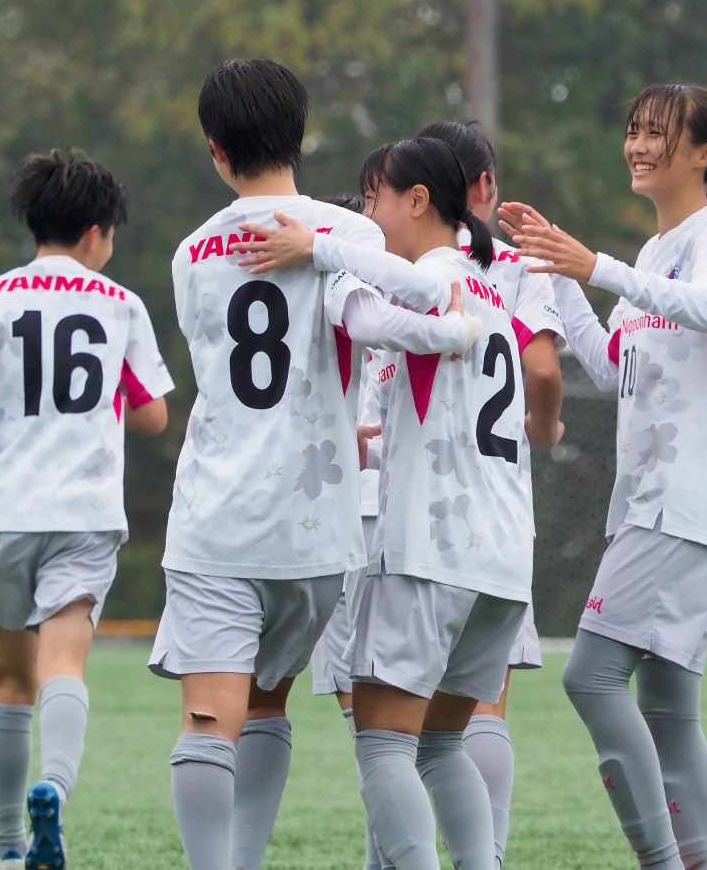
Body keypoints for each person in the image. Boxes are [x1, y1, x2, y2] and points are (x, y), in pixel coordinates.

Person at [153, 62, 479, 870]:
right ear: (301, 136)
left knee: (209, 719)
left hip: (218, 516)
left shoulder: (191, 253)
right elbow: (380, 322)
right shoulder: (353, 235)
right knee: (267, 699)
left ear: (216, 149)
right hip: (317, 526)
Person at [235, 121, 566, 869]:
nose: (365, 213)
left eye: (373, 198)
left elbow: (379, 321)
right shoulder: (494, 285)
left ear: (417, 200)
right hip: (505, 559)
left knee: (384, 742)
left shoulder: (438, 281)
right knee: (444, 744)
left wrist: (318, 251)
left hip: (429, 549)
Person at [499, 83, 707, 870]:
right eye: (635, 131)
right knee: (671, 712)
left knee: (590, 677)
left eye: (658, 134)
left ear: (704, 154)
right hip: (656, 504)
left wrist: (598, 265)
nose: (639, 146)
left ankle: (661, 860)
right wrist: (559, 277)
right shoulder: (653, 253)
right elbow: (613, 368)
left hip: (684, 504)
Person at [0, 150, 174, 870]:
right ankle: (54, 793)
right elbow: (154, 415)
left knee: (10, 678)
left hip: (3, 507)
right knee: (66, 662)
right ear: (97, 232)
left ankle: (6, 850)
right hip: (84, 509)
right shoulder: (119, 303)